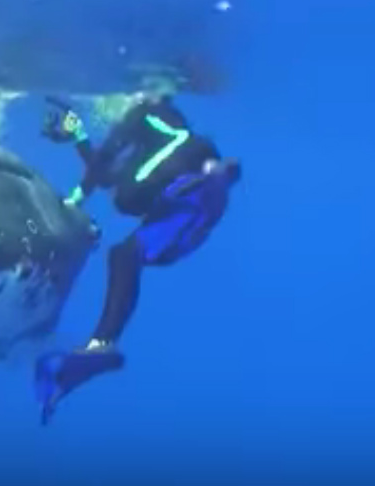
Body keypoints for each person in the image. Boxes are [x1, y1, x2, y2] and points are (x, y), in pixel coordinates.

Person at [33, 92, 241, 425]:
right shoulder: (145, 157)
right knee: (123, 256)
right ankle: (101, 345)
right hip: (182, 214)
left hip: (191, 196)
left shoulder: (148, 113)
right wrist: (79, 136)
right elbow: (106, 173)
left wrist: (74, 197)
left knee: (128, 252)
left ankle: (214, 176)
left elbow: (105, 163)